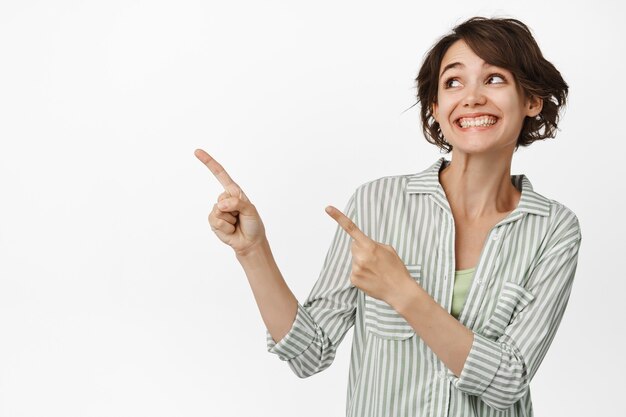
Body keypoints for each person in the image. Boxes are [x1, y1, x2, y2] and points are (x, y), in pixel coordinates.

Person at [195, 16, 582, 417]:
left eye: (494, 79)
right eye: (453, 82)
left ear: (532, 100)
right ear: (436, 107)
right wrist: (252, 251)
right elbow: (308, 353)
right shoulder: (378, 203)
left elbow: (508, 383)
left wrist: (402, 291)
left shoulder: (553, 229)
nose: (471, 97)